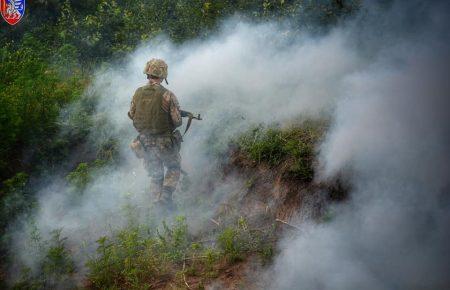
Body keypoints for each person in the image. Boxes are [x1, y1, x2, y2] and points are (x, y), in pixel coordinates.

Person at [128, 58, 188, 209]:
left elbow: (131, 114)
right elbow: (177, 121)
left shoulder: (137, 93)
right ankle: (166, 197)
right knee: (174, 168)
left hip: (144, 142)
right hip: (164, 143)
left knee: (156, 175)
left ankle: (157, 206)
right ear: (163, 74)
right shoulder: (167, 95)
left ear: (147, 73)